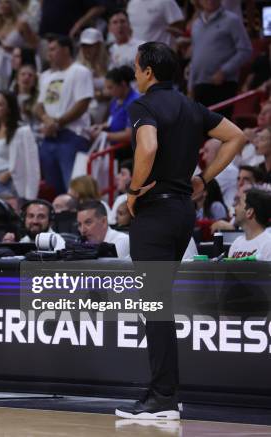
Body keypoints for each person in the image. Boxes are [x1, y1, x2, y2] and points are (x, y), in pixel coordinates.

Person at [115, 42, 246, 420]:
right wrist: (203, 178)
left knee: (154, 308)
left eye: (138, 68)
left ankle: (161, 398)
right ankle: (166, 394)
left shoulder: (144, 106)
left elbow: (148, 145)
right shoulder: (191, 106)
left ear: (148, 72)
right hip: (182, 212)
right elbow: (236, 136)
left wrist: (134, 191)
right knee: (162, 307)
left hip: (154, 214)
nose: (136, 74)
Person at [34, 35, 93, 195]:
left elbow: (82, 103)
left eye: (53, 49)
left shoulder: (80, 71)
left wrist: (57, 123)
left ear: (66, 50)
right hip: (49, 137)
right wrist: (47, 120)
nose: (49, 53)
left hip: (72, 136)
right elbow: (39, 105)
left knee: (73, 187)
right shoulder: (46, 76)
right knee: (54, 189)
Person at [189, 0, 252, 117]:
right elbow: (195, 57)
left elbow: (246, 50)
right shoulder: (196, 24)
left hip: (223, 84)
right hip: (199, 85)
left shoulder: (232, 20)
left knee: (220, 131)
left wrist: (224, 71)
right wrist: (190, 85)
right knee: (199, 130)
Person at [0, 90, 40, 206]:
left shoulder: (22, 130)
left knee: (5, 217)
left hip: (7, 181)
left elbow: (29, 162)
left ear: (10, 108)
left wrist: (9, 173)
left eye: (0, 105)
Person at [228, 188, 271, 260]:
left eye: (239, 203)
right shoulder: (236, 243)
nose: (235, 208)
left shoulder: (268, 244)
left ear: (249, 212)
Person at [201, 138, 238, 206]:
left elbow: (203, 192)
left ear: (219, 152)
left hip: (229, 213)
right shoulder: (220, 168)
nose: (204, 157)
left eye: (207, 151)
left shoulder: (228, 170)